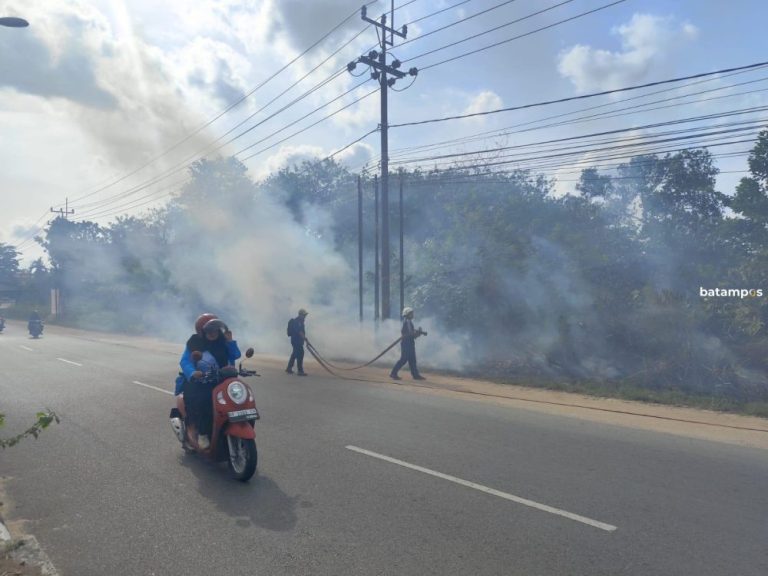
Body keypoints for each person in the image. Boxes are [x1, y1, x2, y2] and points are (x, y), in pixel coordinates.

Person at [179, 313, 241, 449]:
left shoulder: (222, 342)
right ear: (202, 331)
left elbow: (235, 355)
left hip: (223, 379)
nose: (213, 333)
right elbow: (185, 361)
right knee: (206, 401)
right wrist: (193, 372)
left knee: (238, 400)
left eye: (215, 329)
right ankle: (202, 434)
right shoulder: (194, 343)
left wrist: (230, 342)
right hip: (202, 381)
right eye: (209, 330)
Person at [390, 307, 426, 381]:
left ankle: (415, 375)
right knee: (403, 359)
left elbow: (412, 335)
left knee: (412, 359)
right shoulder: (407, 322)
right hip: (406, 343)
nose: (412, 315)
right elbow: (410, 334)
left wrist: (419, 333)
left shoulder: (409, 322)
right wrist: (418, 332)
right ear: (407, 314)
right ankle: (393, 373)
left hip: (410, 343)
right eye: (411, 313)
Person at [286, 308, 308, 376]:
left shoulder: (300, 321)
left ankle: (289, 368)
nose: (305, 316)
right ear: (300, 315)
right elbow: (299, 331)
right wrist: (304, 338)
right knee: (300, 354)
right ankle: (300, 371)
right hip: (296, 341)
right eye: (304, 315)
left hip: (297, 341)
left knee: (294, 354)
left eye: (305, 315)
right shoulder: (297, 321)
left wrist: (304, 338)